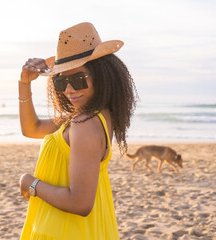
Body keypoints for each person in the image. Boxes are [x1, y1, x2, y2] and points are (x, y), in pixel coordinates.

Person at [18, 22, 137, 240]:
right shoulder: (91, 115)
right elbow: (31, 128)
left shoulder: (84, 124)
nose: (69, 90)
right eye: (61, 82)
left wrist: (30, 183)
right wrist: (24, 83)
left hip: (65, 231)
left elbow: (80, 203)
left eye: (78, 79)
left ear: (101, 75)